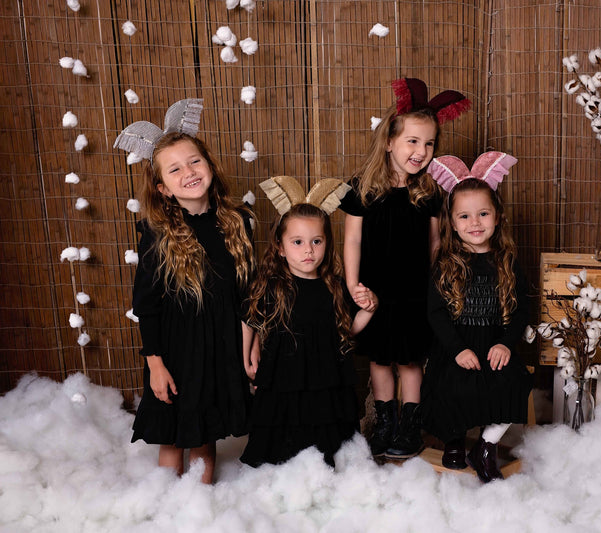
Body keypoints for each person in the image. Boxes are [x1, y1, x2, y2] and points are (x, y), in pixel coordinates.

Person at [115, 99, 255, 484]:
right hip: (177, 352)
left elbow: (247, 293)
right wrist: (155, 365)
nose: (188, 172)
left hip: (221, 347)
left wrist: (251, 345)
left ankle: (200, 501)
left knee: (205, 433)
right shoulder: (157, 234)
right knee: (174, 435)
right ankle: (167, 503)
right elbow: (146, 304)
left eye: (194, 161)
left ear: (209, 165)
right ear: (162, 188)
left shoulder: (237, 222)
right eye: (175, 169)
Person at [340, 78, 471, 459]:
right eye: (412, 141)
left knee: (410, 361)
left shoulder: (428, 192)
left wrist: (433, 285)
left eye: (429, 143)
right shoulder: (361, 188)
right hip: (374, 291)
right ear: (389, 141)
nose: (421, 151)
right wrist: (353, 285)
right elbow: (352, 240)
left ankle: (410, 428)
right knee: (380, 359)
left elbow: (434, 242)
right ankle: (386, 424)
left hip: (414, 291)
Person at [240, 177, 377, 468]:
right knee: (283, 440)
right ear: (280, 247)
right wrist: (247, 354)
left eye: (316, 241)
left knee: (328, 438)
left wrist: (369, 310)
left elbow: (347, 330)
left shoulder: (334, 286)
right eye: (298, 242)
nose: (308, 250)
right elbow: (249, 318)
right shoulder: (272, 286)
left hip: (326, 377)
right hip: (284, 377)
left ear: (326, 243)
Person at [422, 152, 532, 483]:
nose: (475, 223)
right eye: (465, 216)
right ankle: (454, 441)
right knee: (451, 386)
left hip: (494, 345)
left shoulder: (506, 261)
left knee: (514, 382)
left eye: (483, 214)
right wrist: (457, 349)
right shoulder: (446, 264)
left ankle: (485, 447)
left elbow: (522, 309)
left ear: (497, 216)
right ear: (453, 223)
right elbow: (436, 313)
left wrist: (506, 344)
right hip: (456, 347)